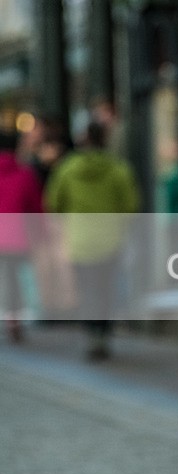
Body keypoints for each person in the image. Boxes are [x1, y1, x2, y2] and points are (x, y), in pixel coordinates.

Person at [45, 121, 140, 360]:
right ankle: (103, 334)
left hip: (79, 240)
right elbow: (130, 204)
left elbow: (53, 202)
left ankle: (92, 334)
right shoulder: (118, 168)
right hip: (110, 240)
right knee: (106, 288)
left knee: (86, 289)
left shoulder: (67, 168)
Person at [0, 130, 43, 342]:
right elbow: (35, 207)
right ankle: (15, 317)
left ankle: (11, 316)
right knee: (15, 277)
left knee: (8, 277)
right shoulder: (24, 174)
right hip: (17, 237)